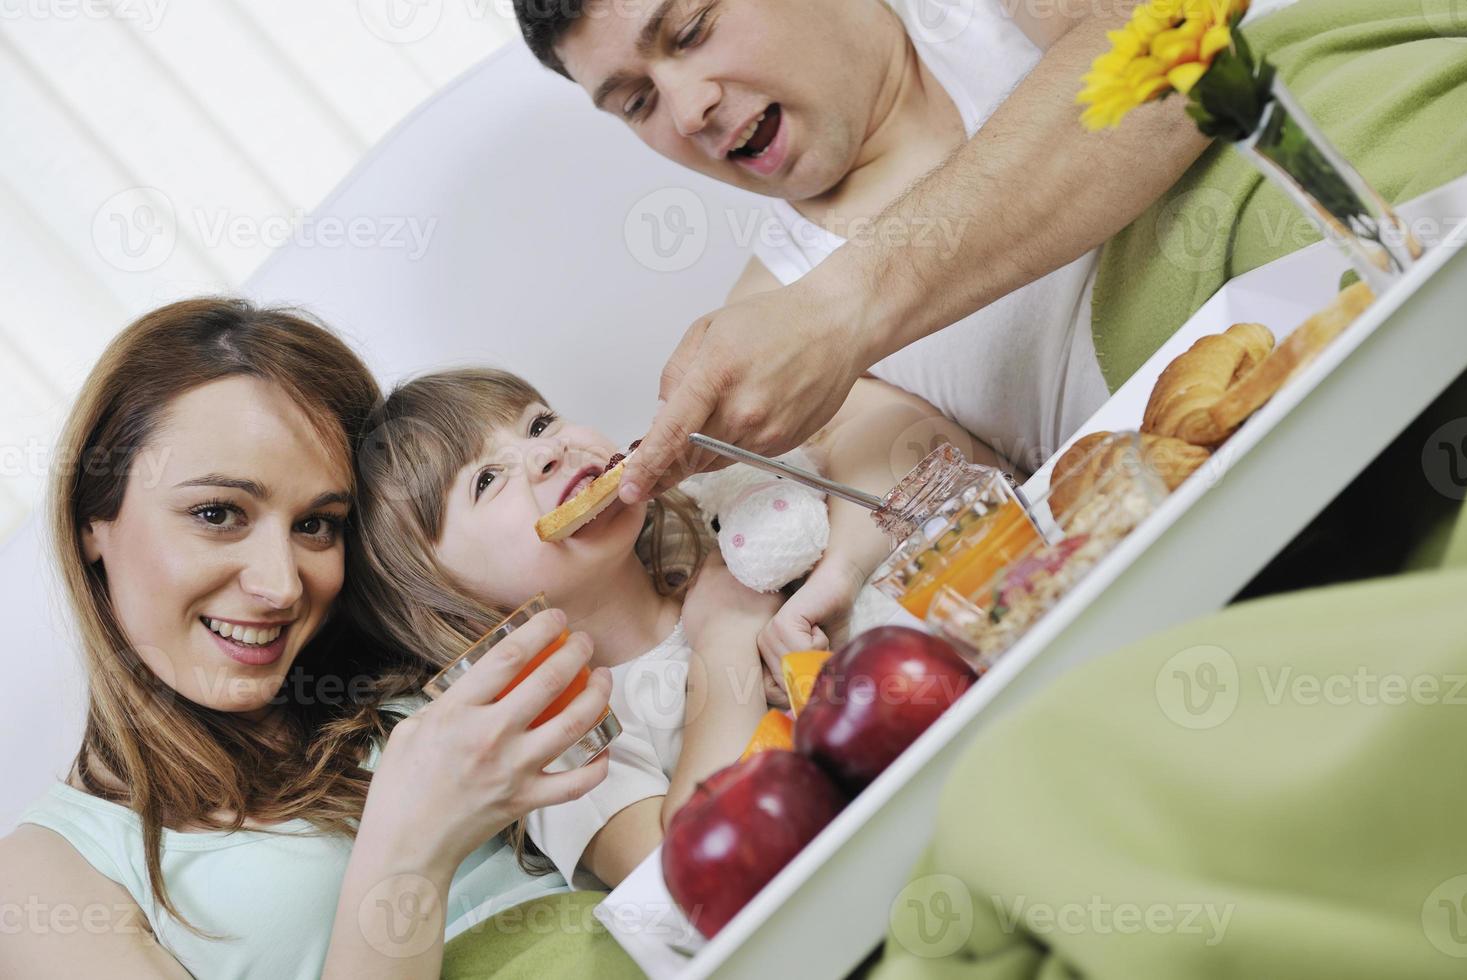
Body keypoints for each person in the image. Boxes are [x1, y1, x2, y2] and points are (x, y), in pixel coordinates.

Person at [0, 299, 618, 978]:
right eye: (217, 513)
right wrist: (407, 852)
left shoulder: (420, 660)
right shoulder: (45, 880)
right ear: (95, 520)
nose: (282, 585)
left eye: (318, 524)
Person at [508, 0, 1296, 502]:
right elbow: (979, 519)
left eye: (690, 29)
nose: (689, 109)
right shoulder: (756, 337)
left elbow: (1168, 57)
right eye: (637, 103)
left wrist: (842, 312)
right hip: (1239, 490)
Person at [346, 365, 963, 885]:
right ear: (446, 599)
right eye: (486, 479)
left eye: (539, 422)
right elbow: (680, 876)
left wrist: (836, 575)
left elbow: (926, 447)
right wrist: (723, 647)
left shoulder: (731, 528)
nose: (545, 450)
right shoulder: (553, 741)